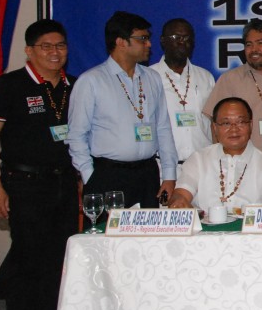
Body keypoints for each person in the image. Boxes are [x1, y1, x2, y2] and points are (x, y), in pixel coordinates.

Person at [0, 20, 78, 310]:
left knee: (58, 262)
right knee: (25, 262)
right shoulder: (9, 86)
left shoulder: (74, 86)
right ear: (30, 50)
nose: (55, 53)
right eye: (46, 46)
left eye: (61, 46)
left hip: (65, 186)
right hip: (24, 185)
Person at [67, 11, 178, 209]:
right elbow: (76, 135)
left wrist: (169, 175)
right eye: (142, 39)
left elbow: (163, 128)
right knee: (109, 239)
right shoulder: (91, 81)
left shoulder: (152, 78)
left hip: (147, 173)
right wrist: (90, 177)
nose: (149, 44)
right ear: (121, 42)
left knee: (148, 238)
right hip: (108, 175)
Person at [204, 19, 262, 182]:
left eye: (260, 43)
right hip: (242, 177)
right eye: (249, 44)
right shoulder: (230, 80)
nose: (254, 50)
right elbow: (215, 126)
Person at [168, 97, 262, 216]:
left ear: (251, 125)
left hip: (250, 234)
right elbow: (181, 194)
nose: (234, 129)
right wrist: (179, 200)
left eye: (240, 122)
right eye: (226, 123)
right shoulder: (198, 159)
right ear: (214, 128)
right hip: (204, 233)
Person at [149, 18, 215, 179]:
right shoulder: (149, 77)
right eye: (176, 38)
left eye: (187, 38)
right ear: (163, 41)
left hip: (204, 167)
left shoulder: (205, 77)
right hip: (163, 170)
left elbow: (214, 122)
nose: (182, 43)